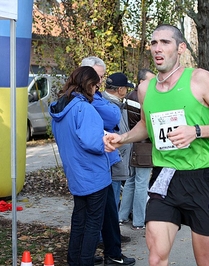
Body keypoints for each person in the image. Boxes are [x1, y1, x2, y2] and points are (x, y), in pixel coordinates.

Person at [103, 24, 209, 266]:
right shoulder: (145, 88)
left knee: (207, 262)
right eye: (153, 43)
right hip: (164, 177)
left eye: (165, 42)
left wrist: (197, 131)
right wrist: (123, 138)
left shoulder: (199, 79)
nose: (157, 49)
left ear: (180, 48)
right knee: (156, 258)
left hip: (199, 178)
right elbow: (145, 125)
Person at [49, 66, 111, 266]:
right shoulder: (85, 108)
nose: (96, 89)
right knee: (93, 223)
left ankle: (74, 260)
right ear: (90, 85)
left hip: (75, 173)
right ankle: (85, 262)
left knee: (79, 221)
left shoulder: (59, 107)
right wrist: (107, 140)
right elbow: (93, 142)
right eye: (95, 85)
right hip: (94, 174)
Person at [81, 57, 135, 266]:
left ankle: (104, 252)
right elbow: (112, 119)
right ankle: (100, 252)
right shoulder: (84, 102)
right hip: (96, 163)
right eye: (97, 78)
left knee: (104, 210)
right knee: (97, 212)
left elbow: (112, 117)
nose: (100, 84)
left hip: (104, 161)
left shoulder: (96, 98)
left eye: (101, 78)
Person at [119, 69, 155, 230]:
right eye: (150, 81)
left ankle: (122, 216)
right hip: (143, 146)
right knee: (141, 182)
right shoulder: (143, 99)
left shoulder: (127, 98)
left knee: (131, 181)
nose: (154, 84)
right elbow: (148, 124)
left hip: (131, 145)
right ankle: (139, 221)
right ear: (141, 82)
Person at [101, 72, 135, 209]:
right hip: (114, 160)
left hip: (113, 160)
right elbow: (118, 134)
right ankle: (111, 229)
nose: (126, 91)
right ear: (120, 89)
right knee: (112, 200)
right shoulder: (111, 107)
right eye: (126, 88)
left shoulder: (102, 103)